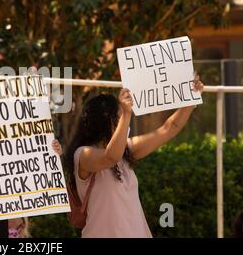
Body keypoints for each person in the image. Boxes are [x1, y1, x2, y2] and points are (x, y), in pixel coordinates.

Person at [63, 74, 204, 238]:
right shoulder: (83, 155)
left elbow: (168, 128)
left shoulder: (126, 149)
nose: (121, 121)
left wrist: (191, 98)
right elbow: (110, 158)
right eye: (118, 117)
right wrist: (127, 114)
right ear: (106, 121)